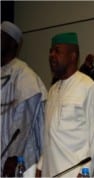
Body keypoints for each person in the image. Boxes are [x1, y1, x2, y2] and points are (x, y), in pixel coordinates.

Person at [36, 32, 94, 177]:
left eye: (57, 51)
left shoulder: (89, 88)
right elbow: (49, 137)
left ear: (73, 56)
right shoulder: (53, 90)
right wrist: (40, 167)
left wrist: (84, 173)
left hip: (75, 174)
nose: (52, 55)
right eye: (50, 51)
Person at [1, 21, 47, 177]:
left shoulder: (24, 75)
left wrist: (13, 155)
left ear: (12, 44)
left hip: (19, 159)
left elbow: (24, 121)